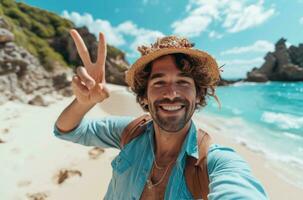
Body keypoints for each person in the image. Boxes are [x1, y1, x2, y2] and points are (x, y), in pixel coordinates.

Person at [54, 29, 268, 200]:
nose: (172, 94)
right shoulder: (130, 132)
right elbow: (68, 130)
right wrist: (84, 103)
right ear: (144, 96)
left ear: (198, 94)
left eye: (183, 82)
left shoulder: (216, 162)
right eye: (159, 82)